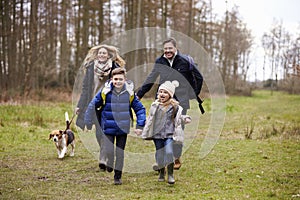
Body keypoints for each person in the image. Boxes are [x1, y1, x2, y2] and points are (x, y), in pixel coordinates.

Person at [136, 37, 203, 170]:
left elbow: (199, 77)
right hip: (162, 102)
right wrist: (139, 94)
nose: (167, 51)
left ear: (175, 48)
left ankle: (176, 156)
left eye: (170, 48)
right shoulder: (160, 61)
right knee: (158, 130)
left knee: (177, 129)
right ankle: (160, 162)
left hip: (181, 102)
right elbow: (151, 78)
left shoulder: (185, 61)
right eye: (165, 49)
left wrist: (193, 94)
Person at [84, 68, 146, 185]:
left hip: (123, 128)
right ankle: (110, 162)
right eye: (116, 79)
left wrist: (140, 124)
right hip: (107, 127)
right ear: (112, 79)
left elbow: (140, 109)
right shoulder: (105, 92)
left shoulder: (130, 93)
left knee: (120, 153)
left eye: (120, 79)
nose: (118, 82)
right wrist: (87, 121)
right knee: (109, 151)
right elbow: (93, 105)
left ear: (125, 80)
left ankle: (118, 177)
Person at [75, 44, 126, 172]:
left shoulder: (115, 67)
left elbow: (122, 84)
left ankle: (103, 157)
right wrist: (80, 106)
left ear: (108, 55)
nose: (102, 55)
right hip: (94, 103)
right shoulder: (91, 68)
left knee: (106, 131)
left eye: (104, 53)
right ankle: (107, 154)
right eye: (100, 53)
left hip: (110, 104)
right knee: (98, 132)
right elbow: (86, 88)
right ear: (97, 55)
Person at [140, 80, 191, 184]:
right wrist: (143, 126)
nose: (162, 94)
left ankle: (171, 174)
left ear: (170, 95)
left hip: (169, 134)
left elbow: (178, 118)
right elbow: (150, 118)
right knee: (159, 155)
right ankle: (162, 172)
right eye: (160, 92)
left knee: (168, 152)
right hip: (157, 135)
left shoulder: (175, 107)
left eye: (165, 92)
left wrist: (184, 118)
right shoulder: (155, 106)